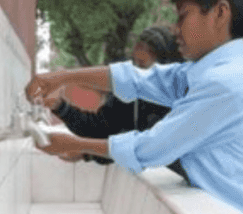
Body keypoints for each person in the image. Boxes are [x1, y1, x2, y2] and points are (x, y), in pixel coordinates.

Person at [26, 0, 243, 214]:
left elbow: (153, 148)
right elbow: (137, 79)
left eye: (183, 16)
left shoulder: (228, 82)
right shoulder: (204, 72)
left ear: (219, 13)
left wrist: (77, 145)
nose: (176, 29)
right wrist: (62, 77)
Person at [42, 26, 183, 169]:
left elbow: (143, 147)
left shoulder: (178, 100)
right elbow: (100, 129)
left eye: (142, 66)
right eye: (134, 64)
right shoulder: (130, 93)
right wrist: (60, 107)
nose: (136, 73)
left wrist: (87, 151)